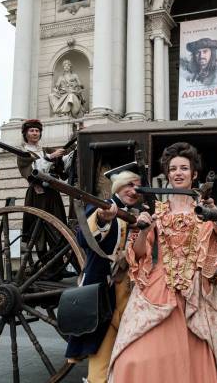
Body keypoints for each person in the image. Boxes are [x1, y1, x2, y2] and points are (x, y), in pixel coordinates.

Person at [108, 142, 217, 383]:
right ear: (167, 174)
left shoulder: (205, 208)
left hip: (201, 288)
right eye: (173, 168)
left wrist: (216, 216)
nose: (178, 173)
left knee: (207, 350)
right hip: (159, 286)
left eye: (184, 168)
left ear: (194, 174)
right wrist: (144, 229)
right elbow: (139, 252)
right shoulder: (158, 210)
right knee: (135, 355)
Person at [66, 162, 142, 383]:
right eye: (128, 185)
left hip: (126, 287)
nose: (133, 190)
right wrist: (101, 219)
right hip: (101, 288)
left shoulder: (136, 213)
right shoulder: (104, 206)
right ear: (117, 187)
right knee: (101, 347)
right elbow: (83, 239)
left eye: (137, 187)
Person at [17, 119, 69, 264]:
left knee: (57, 227)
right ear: (25, 133)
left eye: (37, 130)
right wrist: (51, 157)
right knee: (38, 231)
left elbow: (62, 165)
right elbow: (33, 170)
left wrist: (61, 157)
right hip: (37, 195)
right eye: (32, 130)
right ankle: (46, 266)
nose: (35, 133)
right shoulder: (23, 152)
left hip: (52, 193)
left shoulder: (45, 150)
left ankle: (58, 266)